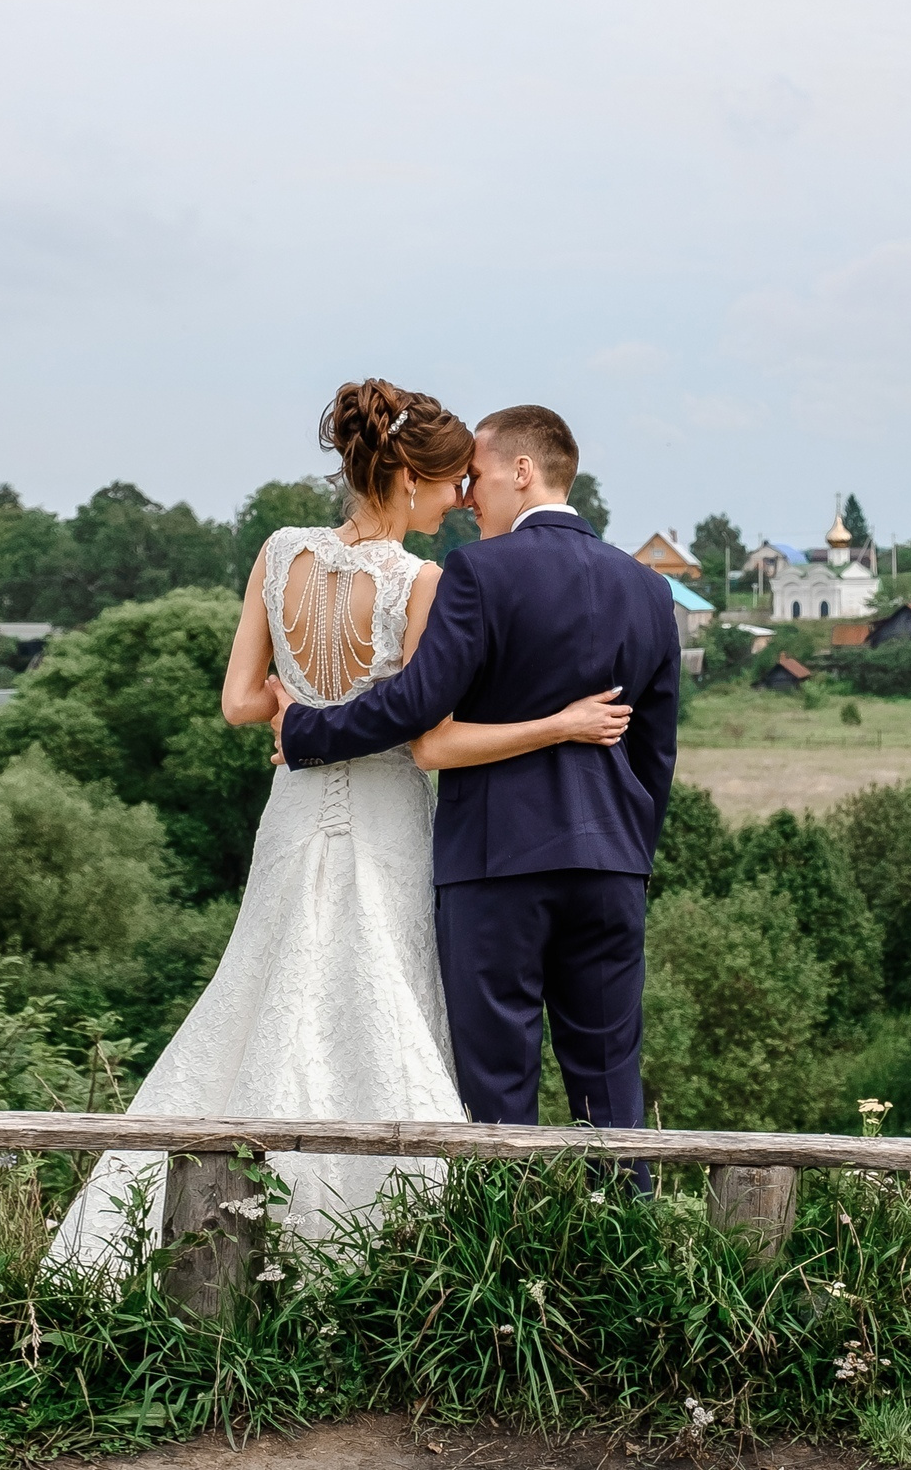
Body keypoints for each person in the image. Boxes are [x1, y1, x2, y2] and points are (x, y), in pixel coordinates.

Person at [50, 381, 632, 1268]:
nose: (460, 499)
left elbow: (239, 700)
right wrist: (558, 723)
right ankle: (387, 1248)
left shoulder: (280, 552)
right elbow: (429, 732)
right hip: (390, 814)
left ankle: (191, 1229)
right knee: (382, 992)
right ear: (408, 477)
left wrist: (294, 707)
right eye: (450, 483)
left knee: (263, 986)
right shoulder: (422, 579)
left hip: (291, 814)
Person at [271, 402, 680, 1163]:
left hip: (496, 866)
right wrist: (629, 846)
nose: (468, 497)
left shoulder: (480, 572)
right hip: (614, 868)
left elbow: (416, 704)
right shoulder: (648, 590)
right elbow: (655, 752)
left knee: (496, 1090)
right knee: (612, 1087)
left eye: (479, 477)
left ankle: (508, 1254)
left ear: (522, 472)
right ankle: (633, 1262)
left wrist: (305, 731)